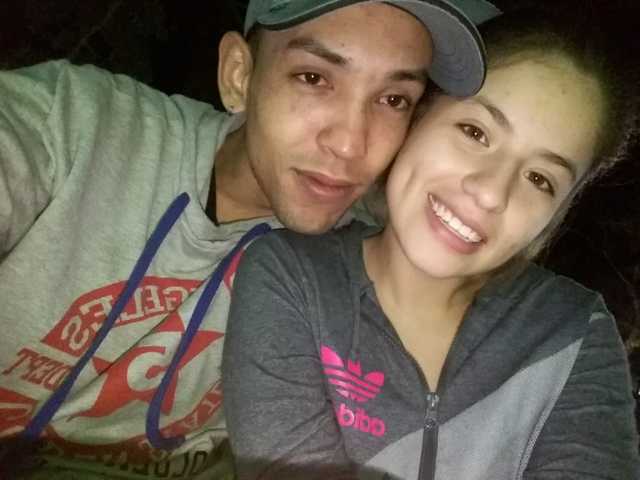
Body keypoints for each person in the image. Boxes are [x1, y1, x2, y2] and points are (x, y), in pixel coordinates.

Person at [0, 0, 501, 478]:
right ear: (239, 75)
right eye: (314, 78)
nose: (350, 144)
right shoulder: (75, 125)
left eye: (393, 100)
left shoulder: (376, 257)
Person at [222, 6, 640, 480]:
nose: (491, 193)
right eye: (475, 132)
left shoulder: (573, 334)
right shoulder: (290, 277)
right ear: (417, 120)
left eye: (540, 179)